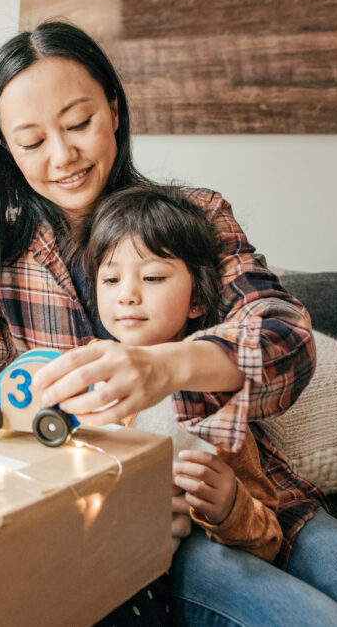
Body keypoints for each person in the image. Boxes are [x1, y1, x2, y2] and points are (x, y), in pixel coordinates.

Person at [0, 20, 337, 626]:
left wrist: (166, 366)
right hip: (130, 536)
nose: (63, 157)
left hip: (258, 499)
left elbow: (286, 338)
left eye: (79, 123)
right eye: (32, 141)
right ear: (6, 150)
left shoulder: (195, 217)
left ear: (113, 109)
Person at [86, 184, 282, 563]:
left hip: (157, 565)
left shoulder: (212, 397)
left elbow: (269, 536)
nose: (127, 295)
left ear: (196, 300)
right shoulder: (82, 366)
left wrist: (229, 505)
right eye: (111, 280)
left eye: (153, 278)